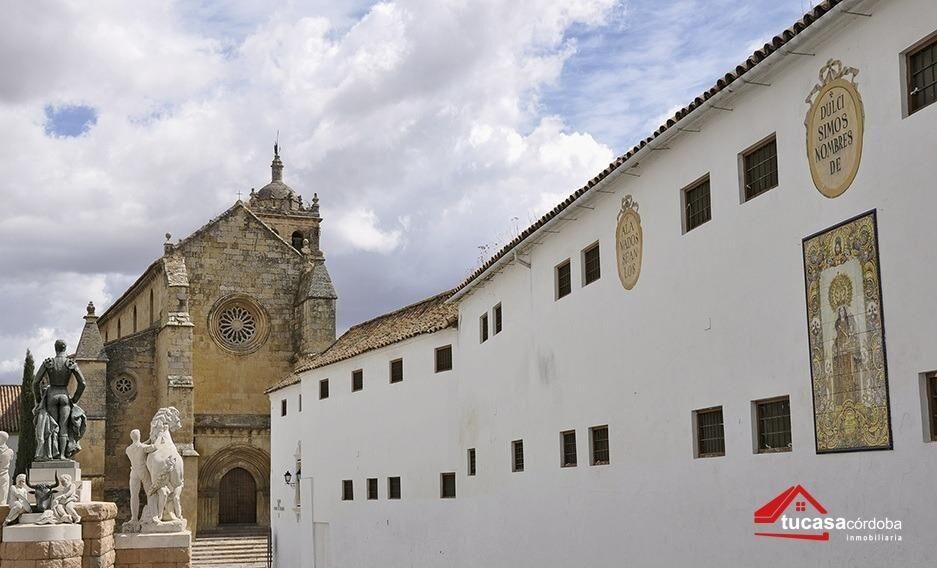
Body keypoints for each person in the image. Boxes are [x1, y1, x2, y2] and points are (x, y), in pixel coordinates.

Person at [32, 340, 86, 460]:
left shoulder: (48, 363)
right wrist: (75, 398)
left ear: (55, 348)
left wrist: (39, 399)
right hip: (64, 395)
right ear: (65, 348)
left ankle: (52, 454)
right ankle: (62, 455)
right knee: (64, 426)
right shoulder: (70, 363)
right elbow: (82, 383)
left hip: (51, 395)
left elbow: (35, 382)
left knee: (52, 426)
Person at [125, 429, 156, 529]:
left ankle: (134, 518)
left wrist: (147, 441)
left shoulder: (128, 449)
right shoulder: (143, 447)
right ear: (139, 436)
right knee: (150, 492)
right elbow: (153, 447)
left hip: (133, 472)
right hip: (143, 471)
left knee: (134, 495)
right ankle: (153, 515)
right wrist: (157, 439)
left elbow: (139, 445)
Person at [0, 431, 13, 505]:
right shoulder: (10, 451)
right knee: (3, 499)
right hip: (4, 475)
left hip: (3, 474)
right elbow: (11, 459)